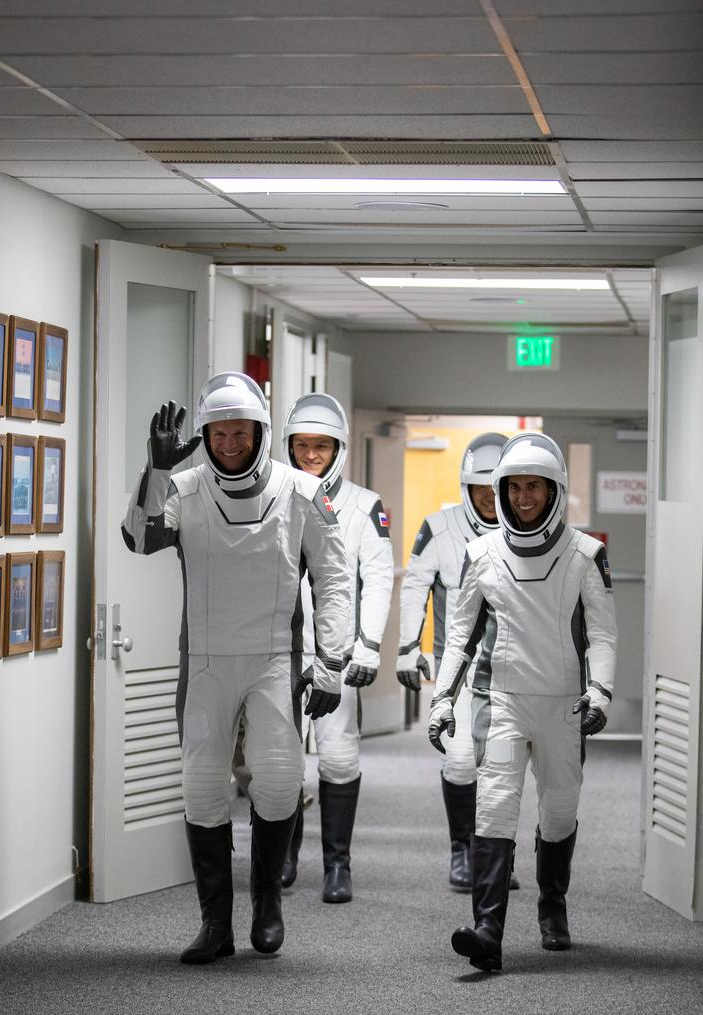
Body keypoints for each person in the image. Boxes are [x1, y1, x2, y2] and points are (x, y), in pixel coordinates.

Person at [122, 373, 349, 965]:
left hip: (276, 657)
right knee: (201, 791)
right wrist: (155, 470)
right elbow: (138, 537)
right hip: (206, 661)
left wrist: (330, 663)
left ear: (260, 433)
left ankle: (267, 902)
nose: (228, 443)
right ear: (204, 434)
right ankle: (215, 924)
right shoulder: (186, 487)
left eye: (239, 432)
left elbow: (334, 578)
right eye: (217, 433)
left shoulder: (301, 490)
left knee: (279, 784)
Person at [427, 433, 617, 973]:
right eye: (514, 487)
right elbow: (459, 636)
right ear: (501, 490)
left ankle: (552, 905)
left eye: (535, 486)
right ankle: (488, 929)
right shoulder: (481, 554)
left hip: (564, 706)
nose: (523, 497)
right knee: (494, 808)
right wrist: (443, 701)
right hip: (503, 700)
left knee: (558, 813)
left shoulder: (585, 554)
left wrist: (599, 690)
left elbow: (602, 635)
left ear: (554, 489)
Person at [280, 393, 394, 903]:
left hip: (337, 656)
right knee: (279, 760)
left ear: (338, 448)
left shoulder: (364, 506)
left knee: (338, 758)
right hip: (280, 653)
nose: (310, 455)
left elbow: (380, 580)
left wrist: (368, 647)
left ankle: (337, 865)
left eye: (320, 446)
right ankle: (282, 856)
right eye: (301, 445)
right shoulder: (273, 495)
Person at [396, 433, 520, 892]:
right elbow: (414, 588)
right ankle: (463, 851)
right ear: (465, 488)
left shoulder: (529, 532)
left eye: (498, 490)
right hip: (460, 673)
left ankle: (497, 857)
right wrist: (408, 647)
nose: (490, 500)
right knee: (462, 761)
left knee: (504, 767)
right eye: (480, 491)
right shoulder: (439, 527)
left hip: (513, 673)